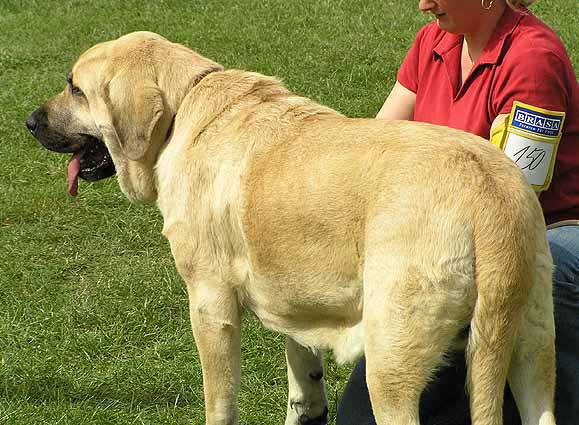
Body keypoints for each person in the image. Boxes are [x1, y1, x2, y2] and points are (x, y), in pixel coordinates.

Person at [336, 0, 579, 424]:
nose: (423, 4)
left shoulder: (532, 60)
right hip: (443, 231)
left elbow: (514, 205)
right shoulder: (433, 41)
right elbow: (372, 150)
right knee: (364, 410)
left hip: (545, 229)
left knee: (544, 277)